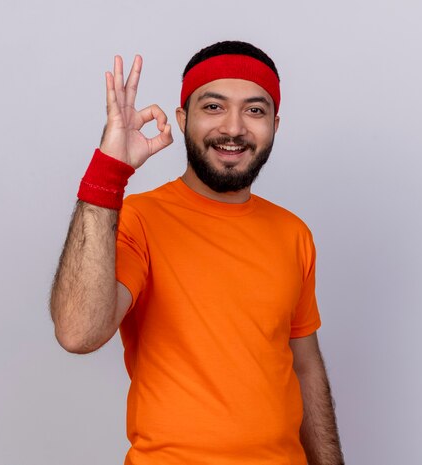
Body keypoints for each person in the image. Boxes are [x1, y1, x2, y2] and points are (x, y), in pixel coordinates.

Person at [50, 41, 344, 465]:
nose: (234, 127)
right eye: (213, 107)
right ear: (183, 119)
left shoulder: (292, 233)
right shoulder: (139, 219)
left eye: (255, 110)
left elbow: (305, 366)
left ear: (275, 125)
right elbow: (77, 333)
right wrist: (108, 171)